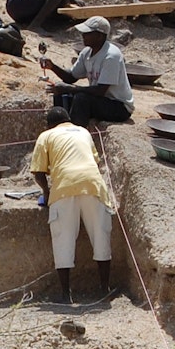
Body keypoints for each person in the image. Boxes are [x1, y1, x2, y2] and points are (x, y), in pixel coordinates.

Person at [31, 106, 114, 304]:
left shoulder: (46, 135)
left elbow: (38, 171)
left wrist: (47, 193)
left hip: (64, 189)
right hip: (93, 186)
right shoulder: (83, 132)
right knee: (101, 235)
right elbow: (94, 161)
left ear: (50, 124)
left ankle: (66, 294)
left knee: (63, 239)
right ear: (68, 119)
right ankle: (104, 289)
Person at [39, 15, 134, 127]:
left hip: (119, 106)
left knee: (81, 99)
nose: (83, 35)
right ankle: (60, 133)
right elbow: (70, 77)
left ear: (99, 36)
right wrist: (53, 67)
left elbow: (100, 90)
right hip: (101, 100)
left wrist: (69, 88)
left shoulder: (111, 56)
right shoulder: (87, 53)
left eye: (87, 33)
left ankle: (76, 136)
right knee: (61, 95)